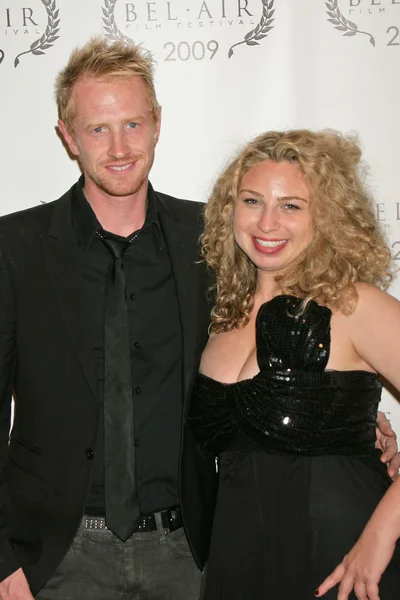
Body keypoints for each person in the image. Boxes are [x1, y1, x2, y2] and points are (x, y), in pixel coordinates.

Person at [0, 37, 212, 599]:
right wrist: (1, 562)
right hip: (56, 560)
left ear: (158, 123)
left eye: (133, 124)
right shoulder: (14, 248)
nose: (119, 147)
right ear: (67, 136)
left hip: (188, 555)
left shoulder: (210, 240)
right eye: (97, 128)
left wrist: (356, 430)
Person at [187, 129, 400, 599]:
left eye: (291, 206)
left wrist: (380, 534)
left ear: (325, 216)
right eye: (251, 200)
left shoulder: (354, 304)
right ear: (230, 209)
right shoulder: (221, 316)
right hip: (239, 563)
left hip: (345, 565)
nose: (267, 223)